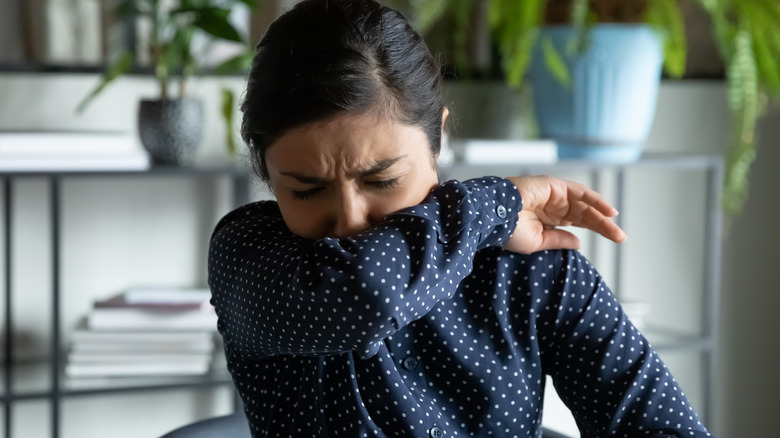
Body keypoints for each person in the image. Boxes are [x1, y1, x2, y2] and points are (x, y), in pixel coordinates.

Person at [208, 0, 714, 437]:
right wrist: (497, 201)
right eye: (306, 190)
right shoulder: (250, 255)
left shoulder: (532, 268)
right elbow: (367, 296)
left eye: (382, 181)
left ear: (437, 138)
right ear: (266, 172)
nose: (350, 220)